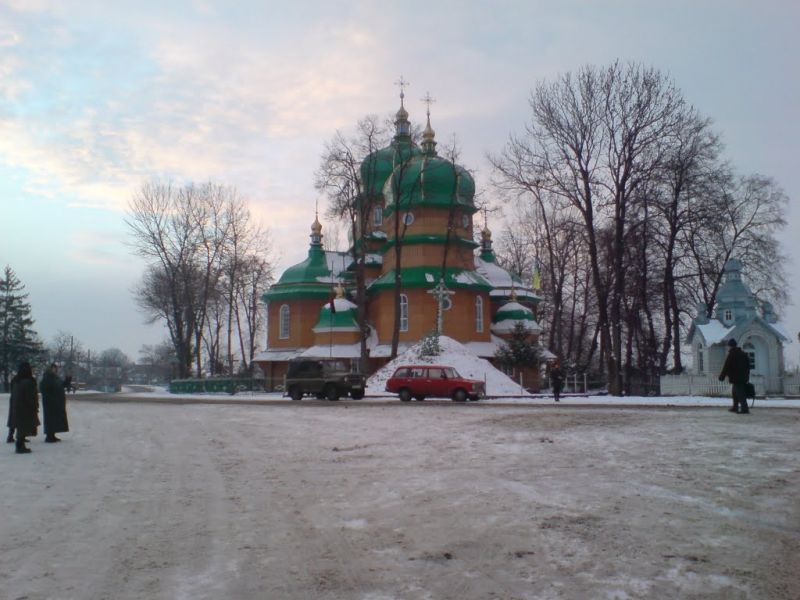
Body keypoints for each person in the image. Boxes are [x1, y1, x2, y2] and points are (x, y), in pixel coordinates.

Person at [9, 361, 40, 454]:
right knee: (24, 427)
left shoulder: (17, 380)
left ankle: (20, 444)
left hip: (18, 407)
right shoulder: (28, 382)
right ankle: (20, 446)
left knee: (21, 427)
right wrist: (34, 406)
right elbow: (30, 396)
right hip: (26, 408)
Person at [718, 338, 751, 414]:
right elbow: (748, 366)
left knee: (740, 393)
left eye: (729, 346)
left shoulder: (732, 354)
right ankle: (735, 407)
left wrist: (722, 377)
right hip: (743, 377)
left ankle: (744, 409)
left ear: (730, 346)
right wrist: (747, 375)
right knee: (735, 392)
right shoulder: (743, 354)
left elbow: (726, 366)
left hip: (736, 378)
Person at [40, 363, 69, 442]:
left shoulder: (56, 378)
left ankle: (52, 435)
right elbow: (43, 389)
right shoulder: (47, 378)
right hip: (50, 402)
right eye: (54, 368)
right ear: (50, 369)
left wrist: (68, 379)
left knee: (55, 419)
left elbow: (62, 385)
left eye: (56, 368)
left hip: (57, 402)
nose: (56, 370)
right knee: (50, 419)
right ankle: (49, 436)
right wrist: (51, 396)